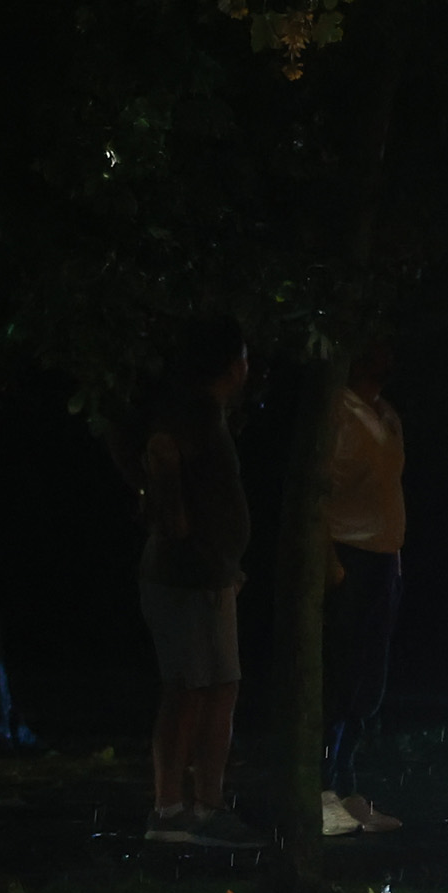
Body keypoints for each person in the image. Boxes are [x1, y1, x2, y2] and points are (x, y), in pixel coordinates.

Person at [130, 319, 262, 849]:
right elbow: (162, 461)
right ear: (232, 365)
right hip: (188, 578)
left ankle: (206, 804)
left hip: (210, 574)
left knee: (217, 686)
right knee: (189, 687)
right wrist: (180, 528)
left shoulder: (207, 415)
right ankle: (174, 809)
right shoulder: (192, 416)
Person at [315, 345, 408, 838]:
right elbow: (321, 486)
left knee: (370, 676)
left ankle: (346, 783)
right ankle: (322, 789)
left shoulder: (385, 414)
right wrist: (328, 558)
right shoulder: (337, 410)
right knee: (341, 671)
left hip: (382, 556)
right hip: (348, 552)